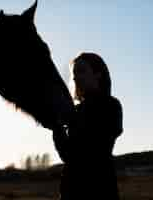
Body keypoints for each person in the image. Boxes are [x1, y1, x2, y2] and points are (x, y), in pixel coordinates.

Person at [52, 52, 123, 200]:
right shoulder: (75, 111)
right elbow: (67, 155)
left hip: (100, 190)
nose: (75, 77)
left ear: (98, 74)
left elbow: (89, 151)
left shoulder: (111, 106)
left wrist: (65, 123)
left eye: (81, 71)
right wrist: (56, 126)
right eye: (74, 73)